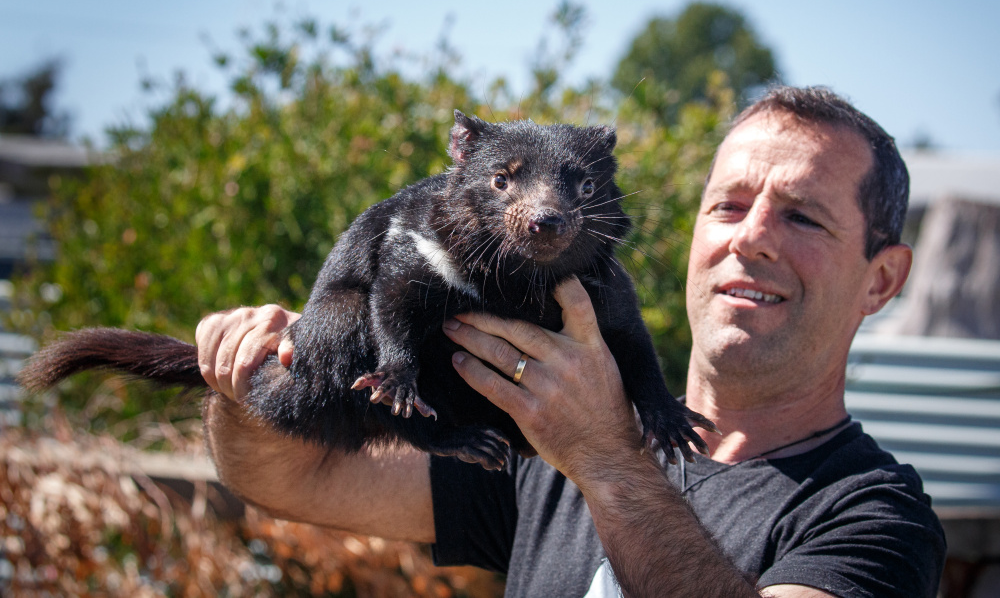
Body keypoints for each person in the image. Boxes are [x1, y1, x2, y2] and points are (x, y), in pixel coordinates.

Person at [195, 86, 946, 597]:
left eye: (803, 217)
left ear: (881, 280)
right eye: (728, 206)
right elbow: (292, 477)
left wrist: (605, 459)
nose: (751, 238)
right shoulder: (544, 431)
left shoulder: (872, 517)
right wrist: (241, 380)